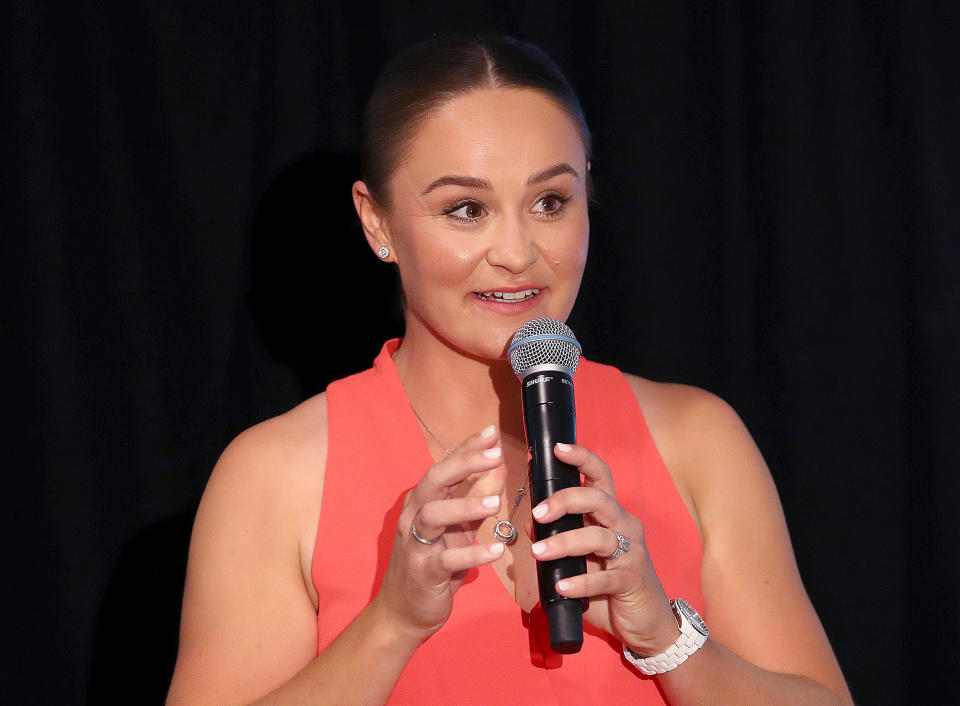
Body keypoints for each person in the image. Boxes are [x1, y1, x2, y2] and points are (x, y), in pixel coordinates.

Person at [166, 35, 852, 704]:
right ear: (377, 223)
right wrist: (392, 625)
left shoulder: (697, 437)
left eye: (550, 202)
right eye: (467, 210)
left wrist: (666, 638)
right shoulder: (275, 474)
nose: (518, 252)